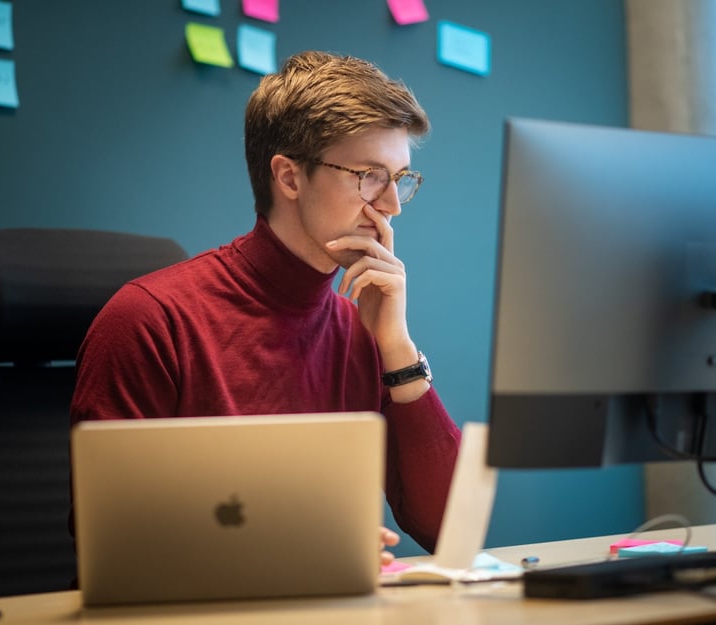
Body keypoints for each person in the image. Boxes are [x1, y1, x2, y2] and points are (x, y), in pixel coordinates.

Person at [70, 50, 461, 564]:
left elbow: (449, 532)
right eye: (369, 176)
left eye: (400, 179)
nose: (390, 205)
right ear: (290, 177)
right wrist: (298, 549)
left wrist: (397, 349)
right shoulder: (149, 320)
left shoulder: (363, 329)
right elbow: (112, 542)